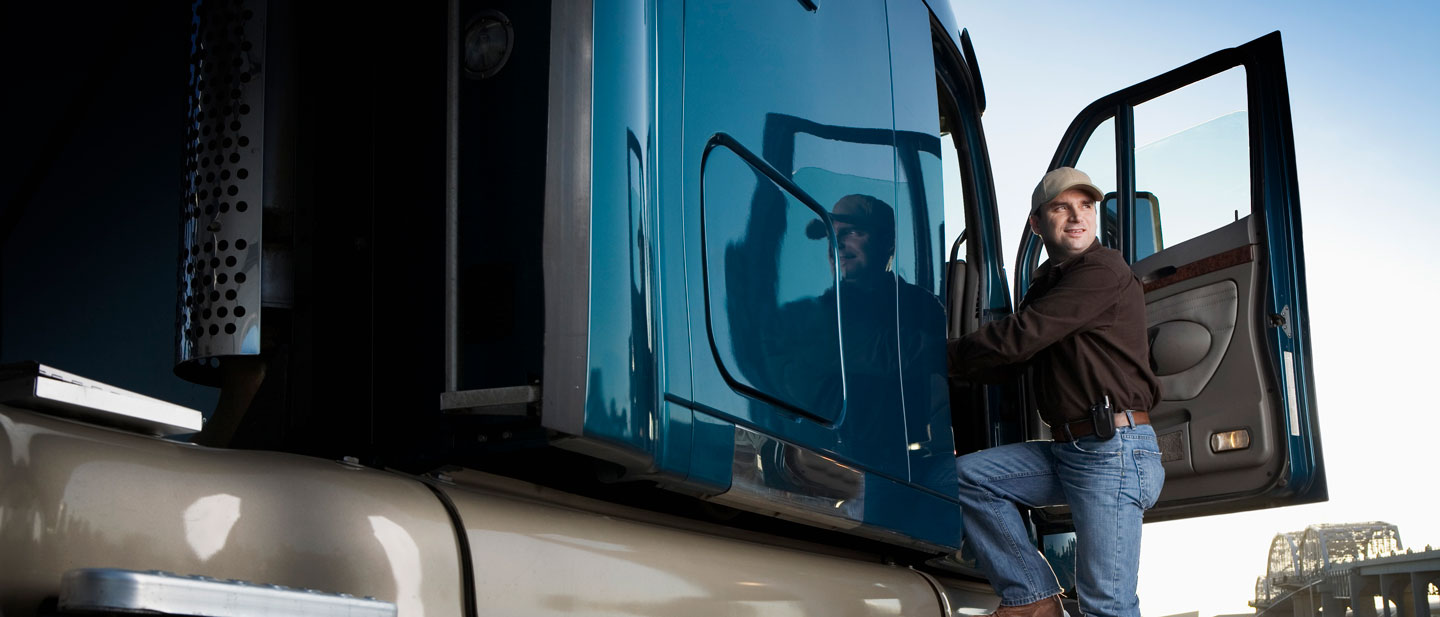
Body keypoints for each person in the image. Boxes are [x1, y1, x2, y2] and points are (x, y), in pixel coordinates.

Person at [947, 168, 1164, 617]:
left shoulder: (1103, 269)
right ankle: (1034, 597)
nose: (1076, 217)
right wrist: (948, 374)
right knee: (970, 478)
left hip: (1114, 451)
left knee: (1107, 605)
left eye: (1086, 206)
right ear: (1037, 223)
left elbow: (1023, 335)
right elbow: (1014, 361)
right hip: (1071, 450)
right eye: (1061, 207)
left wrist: (937, 356)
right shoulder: (1050, 282)